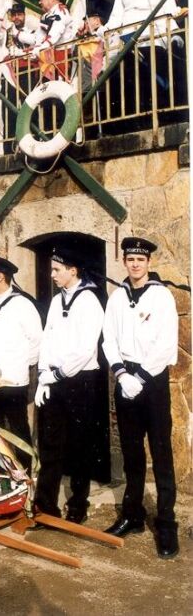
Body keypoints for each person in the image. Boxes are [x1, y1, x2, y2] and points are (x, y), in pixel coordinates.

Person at [102, 237, 179, 559]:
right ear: (124, 261)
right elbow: (109, 339)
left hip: (152, 380)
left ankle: (165, 524)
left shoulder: (161, 297)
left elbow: (166, 344)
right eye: (131, 259)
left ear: (148, 263)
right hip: (125, 380)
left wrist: (141, 377)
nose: (135, 264)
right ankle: (132, 515)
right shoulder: (118, 297)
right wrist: (121, 374)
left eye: (141, 259)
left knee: (160, 454)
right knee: (132, 452)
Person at [33, 244, 104, 523]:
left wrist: (57, 374)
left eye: (57, 269)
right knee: (51, 444)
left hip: (80, 381)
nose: (52, 274)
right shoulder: (56, 300)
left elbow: (86, 349)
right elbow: (47, 339)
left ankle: (78, 505)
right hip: (53, 379)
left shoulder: (89, 301)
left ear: (73, 271)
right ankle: (45, 503)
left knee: (80, 445)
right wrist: (43, 376)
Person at [0, 254, 42, 472]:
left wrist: (19, 366)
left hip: (13, 381)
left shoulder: (23, 305)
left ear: (1, 276)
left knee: (17, 430)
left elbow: (36, 342)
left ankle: (24, 475)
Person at [101, 0, 180, 122]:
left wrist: (173, 35)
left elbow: (169, 9)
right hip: (131, 41)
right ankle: (137, 121)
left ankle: (163, 117)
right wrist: (104, 30)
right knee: (134, 82)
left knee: (158, 79)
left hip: (155, 38)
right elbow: (116, 18)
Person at [0, 0, 38, 153]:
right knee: (9, 111)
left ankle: (32, 144)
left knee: (30, 109)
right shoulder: (6, 33)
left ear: (24, 15)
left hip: (28, 74)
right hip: (9, 75)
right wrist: (3, 9)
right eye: (14, 15)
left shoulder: (32, 31)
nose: (17, 18)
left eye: (19, 14)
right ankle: (9, 148)